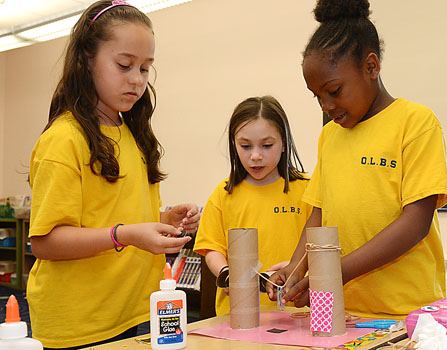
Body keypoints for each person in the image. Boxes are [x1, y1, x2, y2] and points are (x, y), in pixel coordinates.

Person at [27, 1, 199, 348]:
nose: (136, 80)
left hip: (132, 310)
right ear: (87, 59)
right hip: (79, 322)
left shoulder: (133, 134)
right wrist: (127, 235)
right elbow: (45, 241)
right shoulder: (63, 140)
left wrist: (164, 220)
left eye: (145, 69)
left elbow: (115, 216)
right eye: (124, 65)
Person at [267, 0, 447, 319]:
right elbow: (319, 215)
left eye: (334, 91)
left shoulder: (416, 122)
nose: (325, 105)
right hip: (342, 310)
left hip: (405, 313)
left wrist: (335, 272)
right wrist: (295, 271)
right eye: (317, 96)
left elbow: (416, 223)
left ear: (371, 67)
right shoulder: (330, 137)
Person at [194, 96, 312, 315]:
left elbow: (321, 246)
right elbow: (211, 249)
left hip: (296, 313)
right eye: (245, 146)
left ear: (284, 142)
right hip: (237, 316)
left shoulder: (308, 190)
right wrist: (227, 273)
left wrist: (300, 266)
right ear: (234, 145)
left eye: (267, 145)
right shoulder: (223, 194)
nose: (255, 156)